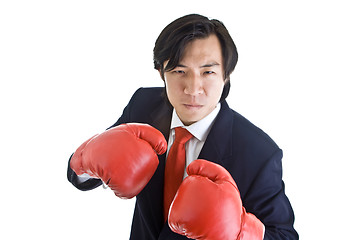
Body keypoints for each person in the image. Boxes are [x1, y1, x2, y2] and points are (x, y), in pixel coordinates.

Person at [67, 14, 298, 239]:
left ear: (226, 75)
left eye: (208, 72)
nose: (193, 88)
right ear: (161, 72)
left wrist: (240, 232)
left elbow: (284, 235)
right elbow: (84, 173)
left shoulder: (259, 153)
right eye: (179, 71)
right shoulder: (142, 107)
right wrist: (84, 161)